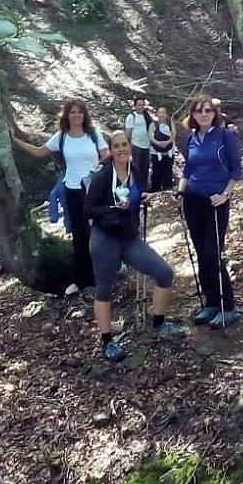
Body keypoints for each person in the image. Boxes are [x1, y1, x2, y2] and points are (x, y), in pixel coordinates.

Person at [84, 129, 187, 360]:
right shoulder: (103, 175)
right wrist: (113, 208)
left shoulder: (135, 171)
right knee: (104, 289)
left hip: (129, 238)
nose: (121, 149)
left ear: (130, 147)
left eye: (124, 145)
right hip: (104, 238)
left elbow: (139, 193)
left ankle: (159, 323)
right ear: (110, 150)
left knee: (164, 273)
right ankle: (107, 342)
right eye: (116, 146)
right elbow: (88, 210)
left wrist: (144, 197)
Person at [11, 98, 109, 294]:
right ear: (67, 115)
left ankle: (104, 273)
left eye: (79, 112)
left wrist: (101, 169)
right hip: (73, 190)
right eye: (72, 112)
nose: (76, 115)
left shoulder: (93, 134)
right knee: (79, 235)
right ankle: (81, 279)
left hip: (93, 189)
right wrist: (15, 140)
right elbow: (39, 152)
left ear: (84, 114)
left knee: (97, 232)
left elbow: (106, 154)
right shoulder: (62, 137)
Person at [174, 94, 243, 329]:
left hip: (216, 202)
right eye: (199, 110)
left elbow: (236, 169)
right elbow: (187, 170)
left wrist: (225, 195)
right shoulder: (192, 138)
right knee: (201, 253)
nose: (204, 114)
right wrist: (180, 192)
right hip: (193, 201)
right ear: (192, 115)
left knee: (213, 253)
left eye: (208, 110)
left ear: (215, 114)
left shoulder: (225, 136)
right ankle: (211, 302)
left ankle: (228, 307)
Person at [124, 96, 155, 191]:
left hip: (146, 146)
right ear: (135, 106)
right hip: (136, 146)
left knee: (145, 168)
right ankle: (134, 189)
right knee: (136, 168)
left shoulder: (147, 116)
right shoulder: (131, 117)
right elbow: (128, 133)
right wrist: (128, 146)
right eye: (139, 105)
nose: (141, 107)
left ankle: (144, 189)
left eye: (142, 105)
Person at [148, 106, 177, 192]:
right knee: (156, 172)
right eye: (159, 112)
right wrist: (158, 143)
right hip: (156, 152)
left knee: (167, 172)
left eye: (163, 112)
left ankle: (167, 190)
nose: (161, 114)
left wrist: (167, 142)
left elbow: (174, 134)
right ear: (157, 114)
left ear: (166, 114)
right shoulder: (153, 124)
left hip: (169, 151)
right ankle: (155, 190)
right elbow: (150, 136)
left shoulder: (170, 123)